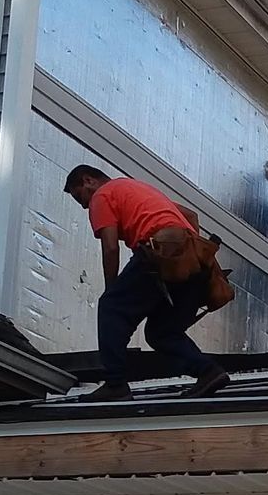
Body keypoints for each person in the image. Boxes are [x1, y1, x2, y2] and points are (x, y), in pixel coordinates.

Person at [63, 165, 232, 402]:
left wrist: (112, 290)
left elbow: (110, 247)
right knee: (162, 332)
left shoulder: (103, 194)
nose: (82, 205)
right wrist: (185, 252)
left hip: (160, 250)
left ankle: (115, 384)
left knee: (112, 307)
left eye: (78, 195)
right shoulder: (138, 188)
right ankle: (208, 371)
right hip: (198, 263)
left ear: (88, 180)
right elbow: (191, 216)